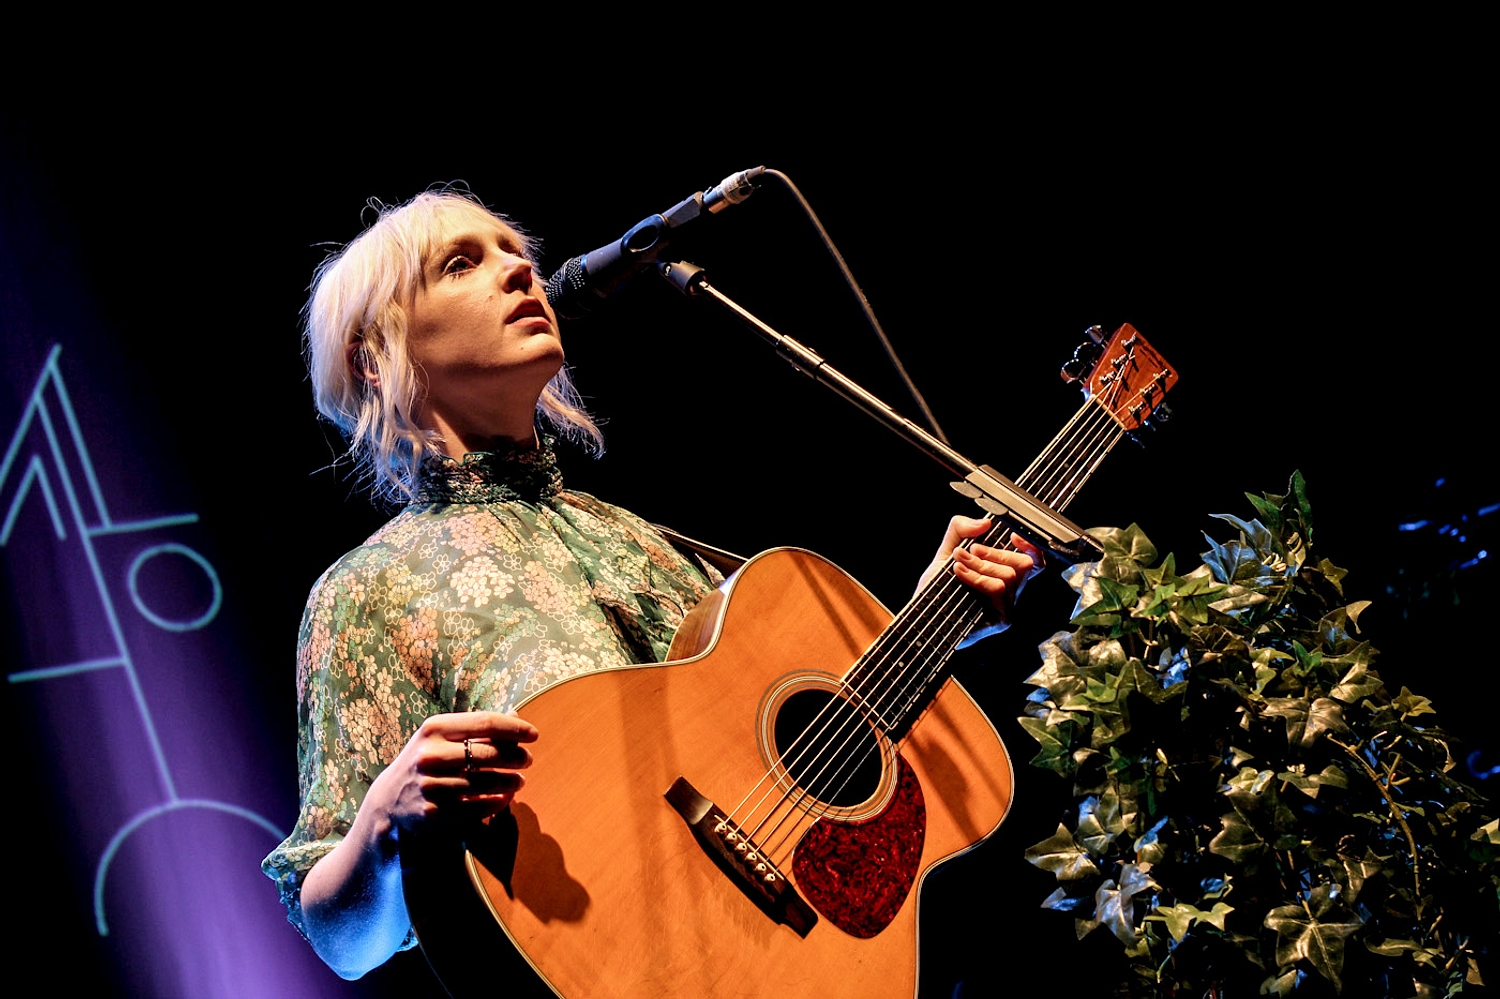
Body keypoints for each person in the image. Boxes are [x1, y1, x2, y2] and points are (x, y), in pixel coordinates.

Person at [261, 190, 1041, 981]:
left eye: (514, 252)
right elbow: (342, 943)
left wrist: (936, 614)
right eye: (462, 263)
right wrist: (383, 824)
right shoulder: (372, 589)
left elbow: (786, 758)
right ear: (374, 355)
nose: (517, 271)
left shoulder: (639, 538)